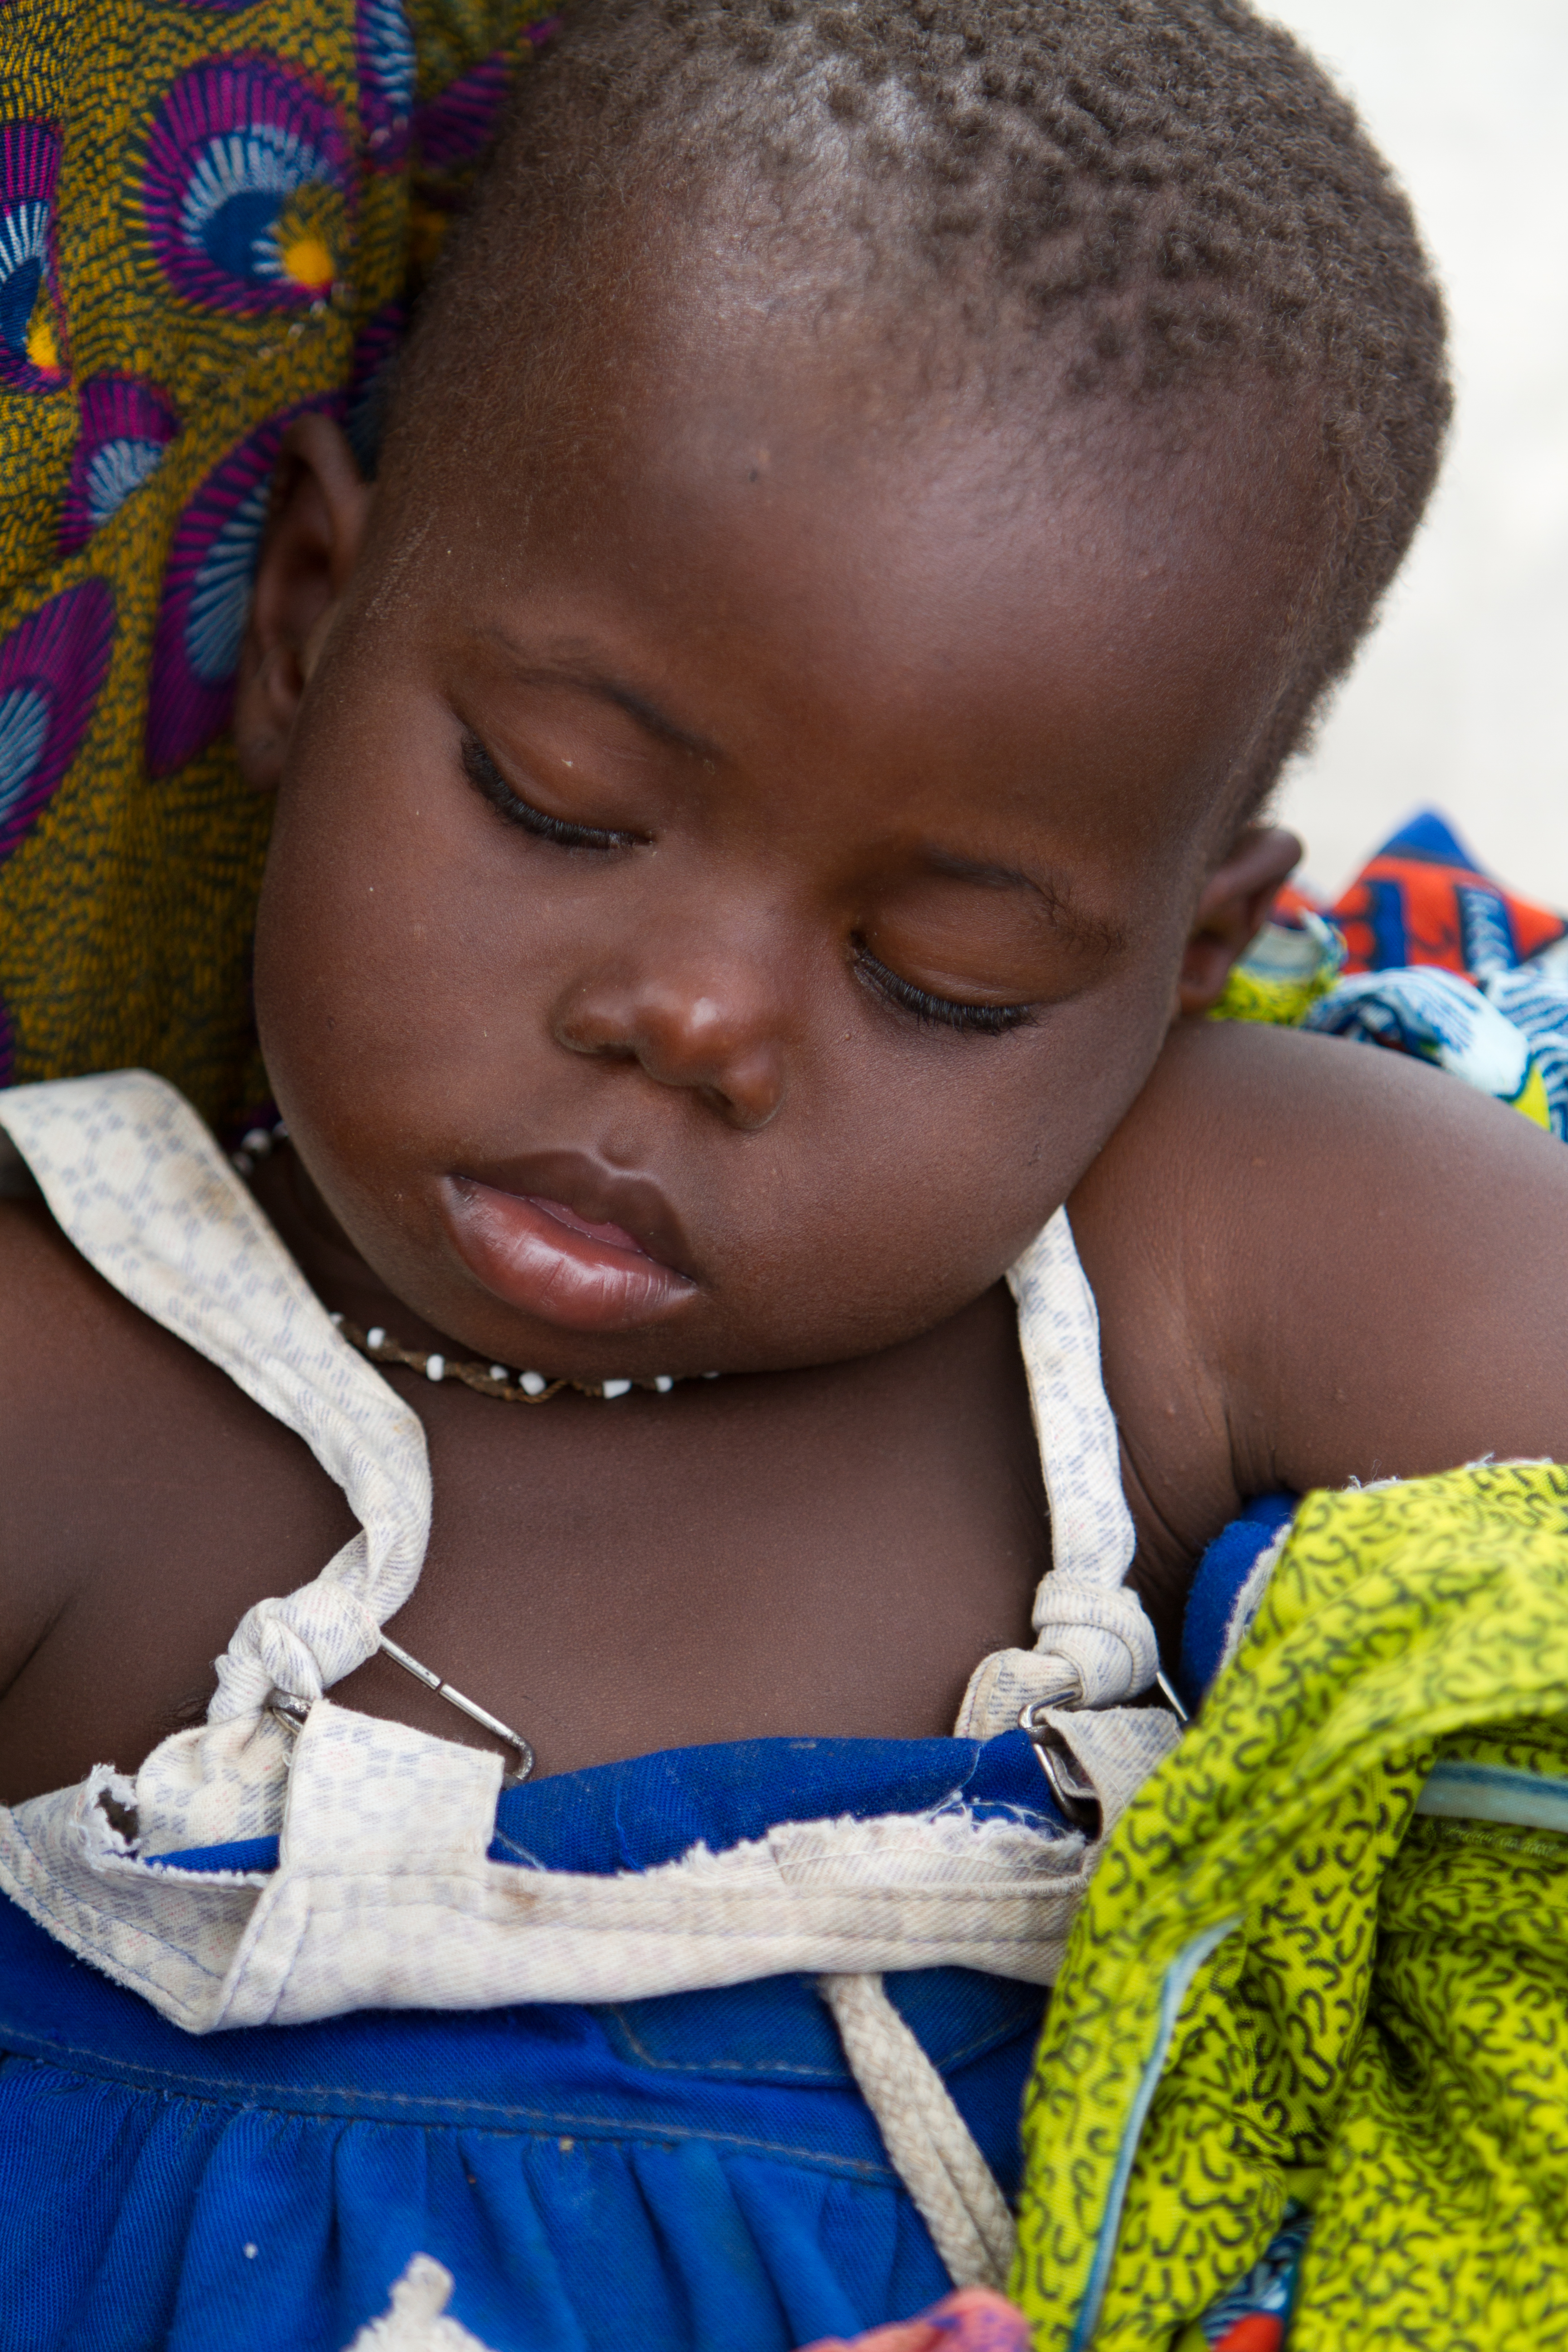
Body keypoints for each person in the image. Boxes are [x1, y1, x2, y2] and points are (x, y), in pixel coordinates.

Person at [1, 0, 1563, 2345]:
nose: (703, 1019)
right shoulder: (66, 1390)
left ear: (1178, 958)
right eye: (555, 800)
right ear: (313, 623)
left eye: (943, 973)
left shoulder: (1186, 1261)